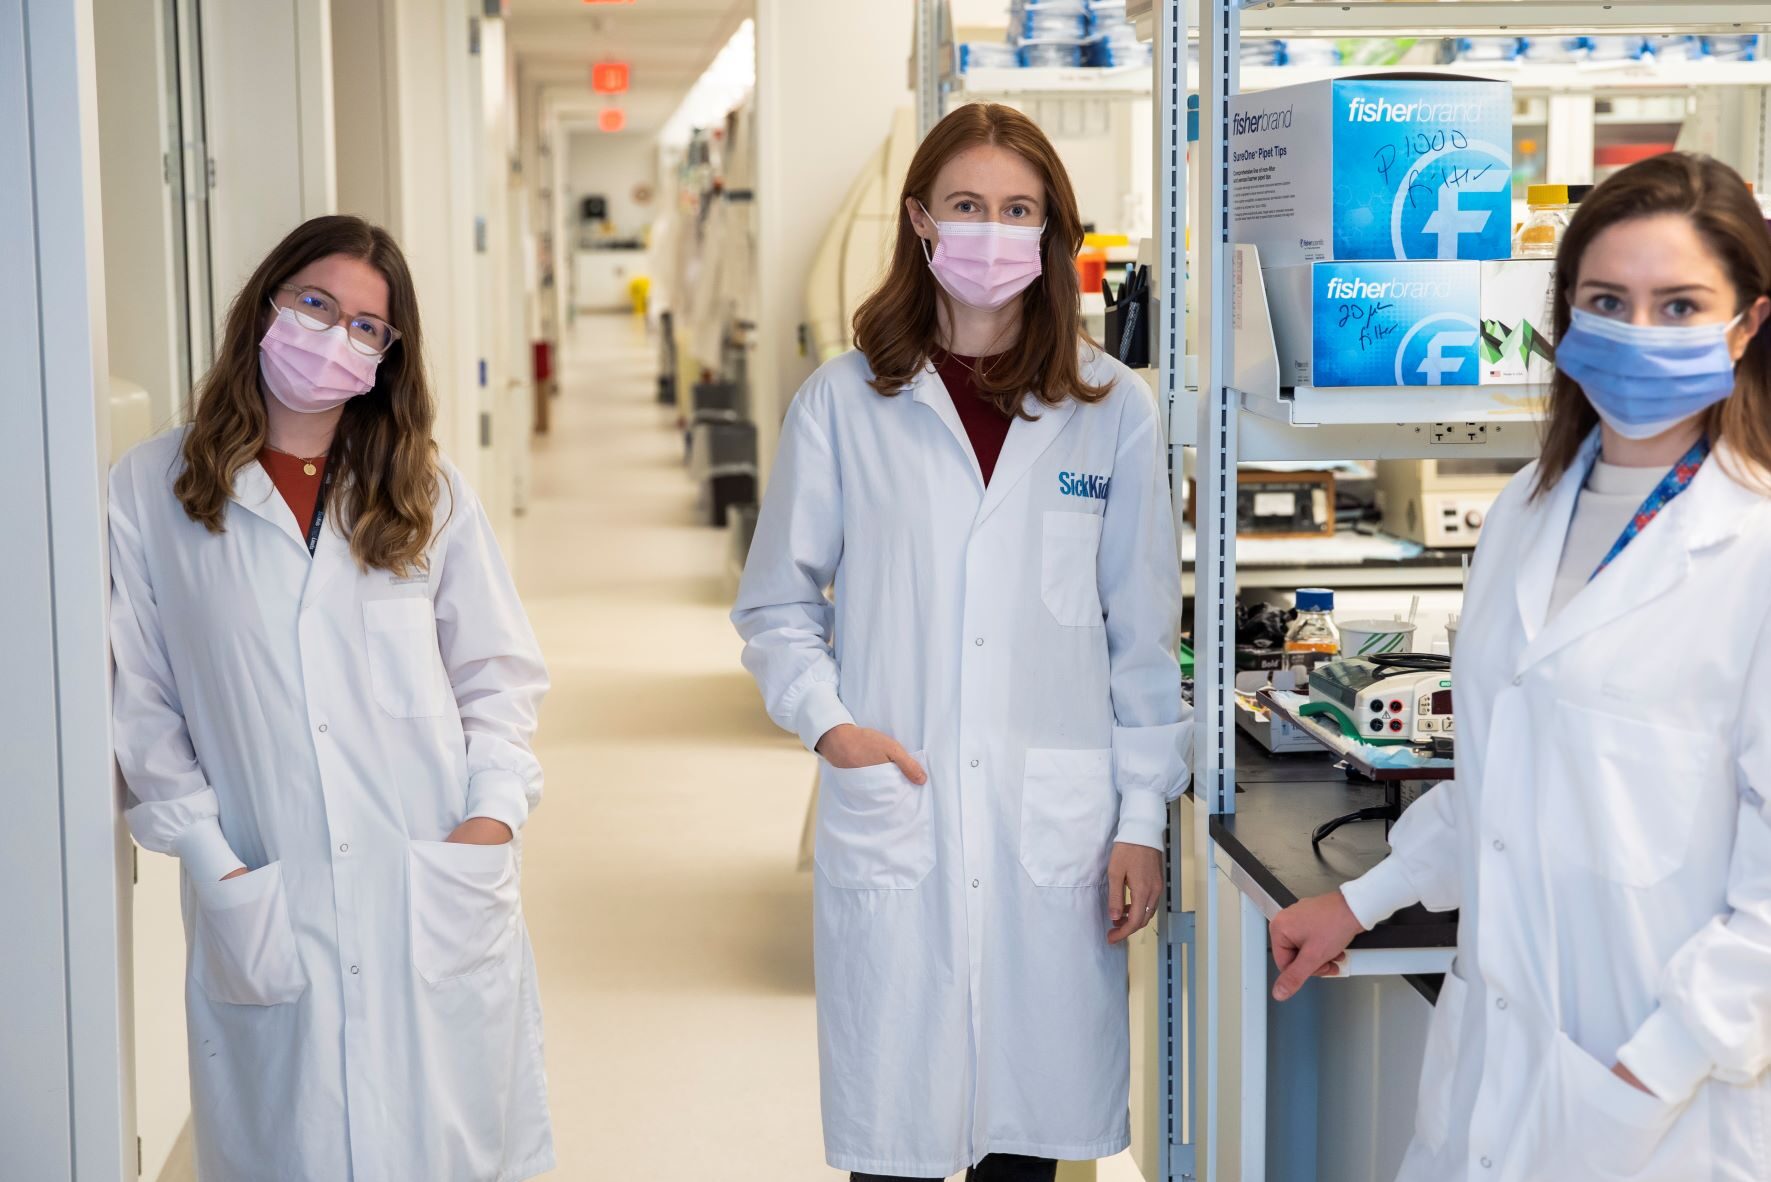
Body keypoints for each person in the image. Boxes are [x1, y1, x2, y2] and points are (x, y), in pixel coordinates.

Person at [1269, 152, 1771, 1182]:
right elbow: (1498, 773)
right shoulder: (1526, 513)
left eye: (1678, 305)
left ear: (1747, 324)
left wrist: (1645, 1073)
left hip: (1659, 1100)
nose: (1638, 331)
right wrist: (1362, 900)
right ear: (1566, 320)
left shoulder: (1753, 545)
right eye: (1606, 301)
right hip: (1496, 1067)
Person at [733, 102, 1192, 1182]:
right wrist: (831, 727)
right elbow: (776, 608)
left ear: (1052, 236)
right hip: (902, 803)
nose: (993, 230)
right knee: (894, 1148)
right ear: (921, 221)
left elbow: (1141, 643)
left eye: (1020, 209)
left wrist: (1140, 824)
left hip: (1055, 837)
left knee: (1026, 1158)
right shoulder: (844, 404)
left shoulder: (1110, 408)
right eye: (969, 205)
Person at [110, 215, 553, 1180]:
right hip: (266, 883)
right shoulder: (150, 490)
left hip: (430, 881)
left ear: (385, 359)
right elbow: (140, 702)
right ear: (264, 306)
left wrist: (490, 818)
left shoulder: (424, 492)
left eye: (366, 327)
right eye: (316, 304)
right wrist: (210, 858)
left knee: (450, 1145)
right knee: (294, 1144)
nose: (334, 337)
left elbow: (499, 675)